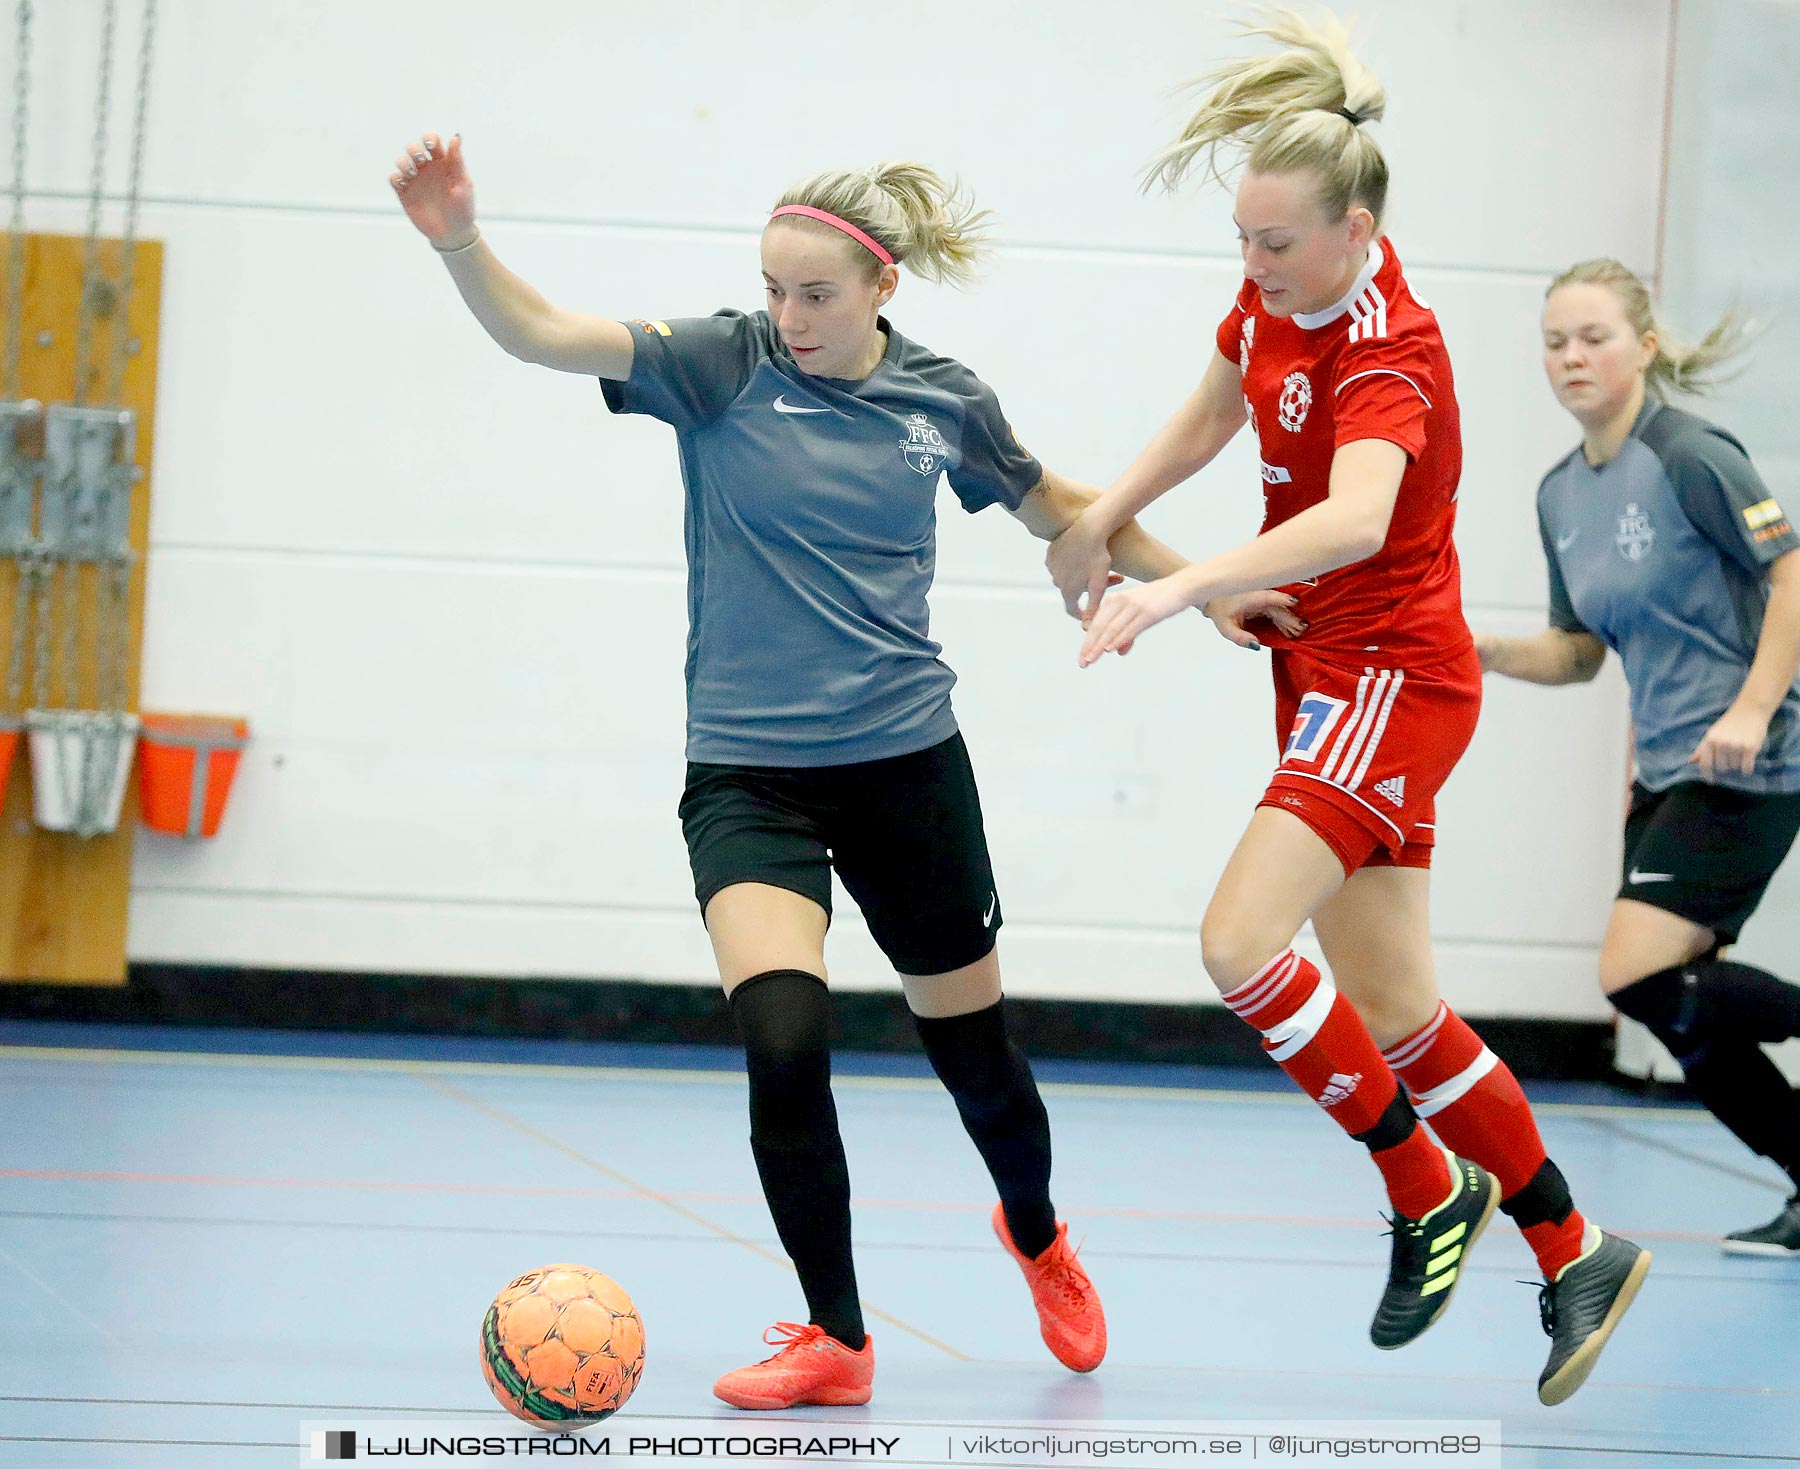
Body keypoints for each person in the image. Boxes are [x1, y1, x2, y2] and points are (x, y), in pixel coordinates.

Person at [389, 133, 1205, 1408]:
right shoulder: (721, 364)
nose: (788, 314)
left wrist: (1200, 590)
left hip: (905, 767)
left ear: (882, 289)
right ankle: (838, 1333)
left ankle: (1037, 1234)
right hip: (748, 776)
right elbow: (542, 332)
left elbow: (1062, 504)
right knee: (784, 1040)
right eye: (773, 287)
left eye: (814, 293)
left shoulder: (943, 402)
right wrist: (456, 237)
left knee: (974, 1052)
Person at [1043, 10, 1649, 1405]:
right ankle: (1577, 1246)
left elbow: (1355, 513)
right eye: (1241, 241)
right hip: (1325, 678)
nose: (1249, 267)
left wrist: (1181, 583)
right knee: (1395, 1009)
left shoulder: (1391, 349)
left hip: (1391, 681)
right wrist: (1107, 518)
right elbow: (1212, 415)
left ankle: (1426, 1183)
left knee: (1239, 941)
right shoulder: (1272, 299)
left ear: (1356, 228)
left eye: (1274, 244)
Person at [1478, 257, 1800, 1257]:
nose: (1572, 357)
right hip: (1666, 768)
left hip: (1756, 758)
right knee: (1682, 1007)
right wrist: (1472, 647)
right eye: (1555, 341)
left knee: (1633, 971)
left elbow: (1791, 574)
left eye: (1595, 337)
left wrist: (1751, 707)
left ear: (1645, 347)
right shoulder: (1559, 495)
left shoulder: (1691, 453)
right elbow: (1577, 652)